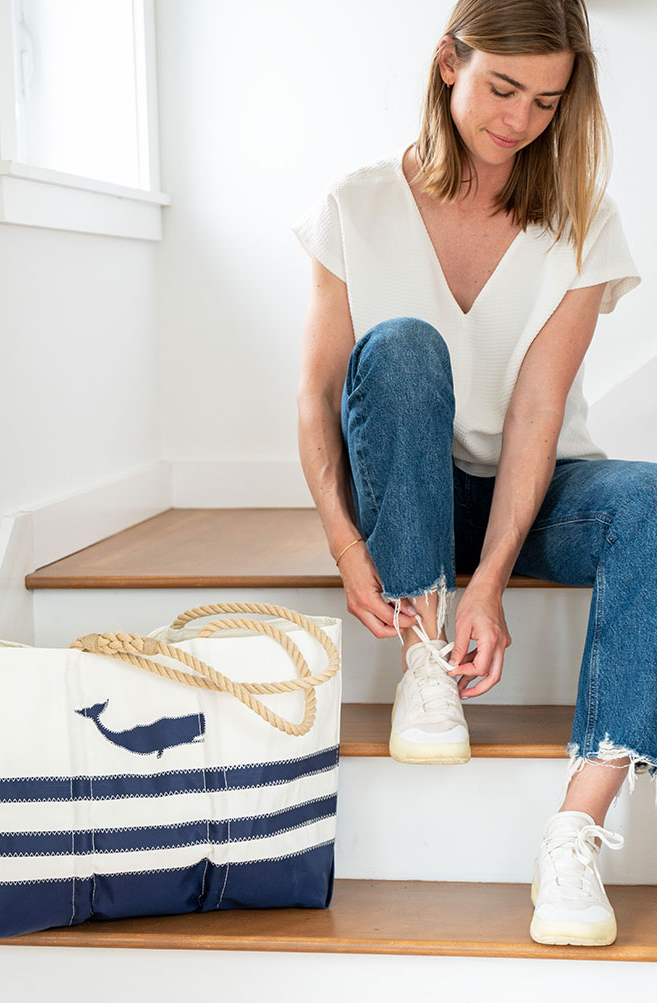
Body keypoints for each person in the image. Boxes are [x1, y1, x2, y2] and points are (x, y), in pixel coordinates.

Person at [293, 0, 646, 948]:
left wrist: (492, 579)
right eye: (501, 86)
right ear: (449, 61)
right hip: (408, 490)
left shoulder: (580, 220)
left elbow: (538, 411)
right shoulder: (357, 204)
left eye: (545, 100)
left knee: (652, 500)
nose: (519, 120)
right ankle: (426, 655)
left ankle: (578, 826)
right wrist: (342, 537)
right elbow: (318, 395)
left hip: (534, 493)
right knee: (401, 348)